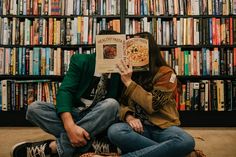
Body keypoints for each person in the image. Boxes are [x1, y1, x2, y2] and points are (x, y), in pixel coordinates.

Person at [11, 30, 122, 157]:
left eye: (115, 46)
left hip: (97, 117)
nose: (111, 50)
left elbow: (120, 102)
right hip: (75, 112)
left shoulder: (120, 70)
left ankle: (54, 148)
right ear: (98, 45)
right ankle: (90, 144)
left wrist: (126, 77)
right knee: (34, 109)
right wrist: (69, 127)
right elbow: (65, 91)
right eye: (106, 45)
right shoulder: (81, 60)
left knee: (112, 105)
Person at [102, 32, 195, 157]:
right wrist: (129, 116)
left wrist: (129, 82)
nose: (132, 54)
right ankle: (167, 152)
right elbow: (123, 103)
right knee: (115, 131)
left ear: (149, 51)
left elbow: (154, 104)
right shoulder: (131, 72)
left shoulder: (167, 73)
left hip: (163, 128)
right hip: (140, 129)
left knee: (186, 141)